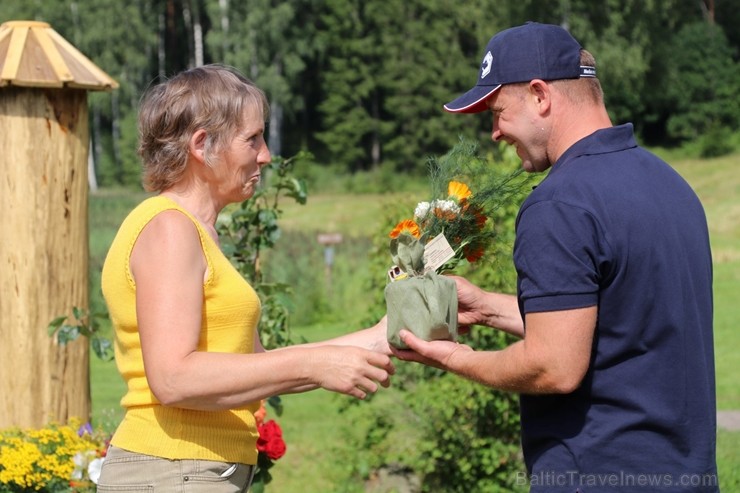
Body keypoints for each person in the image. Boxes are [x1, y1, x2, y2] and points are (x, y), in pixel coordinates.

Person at [392, 22, 718, 492]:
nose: (495, 132)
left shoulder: (560, 204)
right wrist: (484, 307)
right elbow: (617, 323)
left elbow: (554, 364)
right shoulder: (669, 184)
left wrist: (452, 358)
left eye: (498, 111)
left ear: (541, 95)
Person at [96, 64, 394, 493]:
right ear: (202, 145)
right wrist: (313, 364)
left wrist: (384, 335)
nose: (266, 155)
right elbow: (172, 378)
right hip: (171, 469)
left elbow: (253, 366)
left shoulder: (196, 233)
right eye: (252, 139)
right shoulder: (168, 228)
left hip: (189, 471)